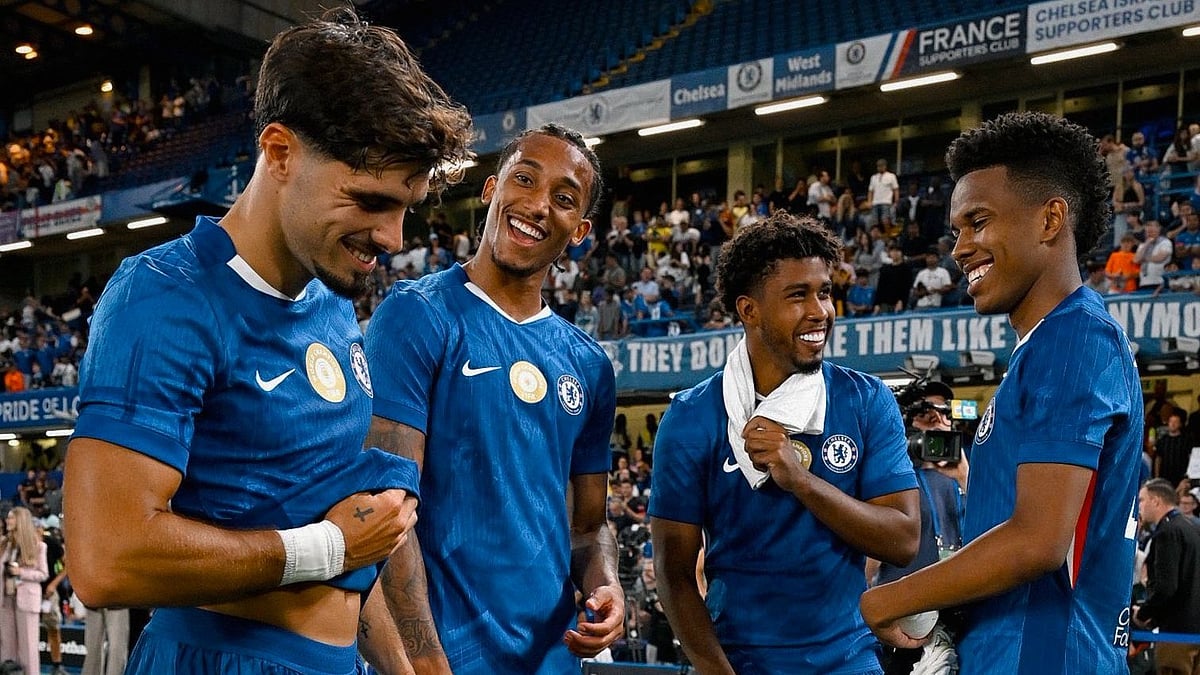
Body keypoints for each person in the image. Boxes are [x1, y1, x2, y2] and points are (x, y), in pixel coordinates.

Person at [62, 9, 474, 674]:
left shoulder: (330, 300)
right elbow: (105, 558)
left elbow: (350, 536)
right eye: (370, 201)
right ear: (279, 152)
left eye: (406, 208)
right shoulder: (164, 295)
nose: (394, 238)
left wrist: (410, 666)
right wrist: (326, 549)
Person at [860, 111, 1143, 673]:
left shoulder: (1073, 339)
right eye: (957, 229)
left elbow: (1037, 542)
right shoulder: (1047, 347)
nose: (960, 247)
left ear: (1050, 220)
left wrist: (892, 597)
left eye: (978, 222)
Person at [358, 124, 624, 674]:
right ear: (490, 189)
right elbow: (386, 512)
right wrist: (427, 663)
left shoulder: (589, 365)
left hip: (553, 662)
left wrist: (606, 584)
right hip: (447, 660)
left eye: (564, 198)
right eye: (524, 179)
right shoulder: (416, 316)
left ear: (581, 230)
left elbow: (588, 525)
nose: (538, 204)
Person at [650, 212, 920, 674]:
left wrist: (800, 481)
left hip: (847, 662)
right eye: (798, 296)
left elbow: (903, 539)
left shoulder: (866, 399)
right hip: (740, 662)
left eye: (825, 292)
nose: (820, 312)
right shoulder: (692, 418)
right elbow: (673, 575)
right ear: (749, 310)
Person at [1133, 478, 1200, 675]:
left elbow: (1166, 588)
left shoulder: (1167, 532)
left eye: (1142, 500)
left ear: (1156, 501)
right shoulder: (1193, 526)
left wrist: (1144, 614)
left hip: (1176, 633)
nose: (1139, 507)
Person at [0, 507, 48, 675]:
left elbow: (43, 574)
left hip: (26, 600)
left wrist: (21, 572)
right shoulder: (5, 545)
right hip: (6, 600)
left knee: (28, 647)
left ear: (20, 520)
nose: (7, 521)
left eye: (11, 518)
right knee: (7, 647)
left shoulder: (39, 546)